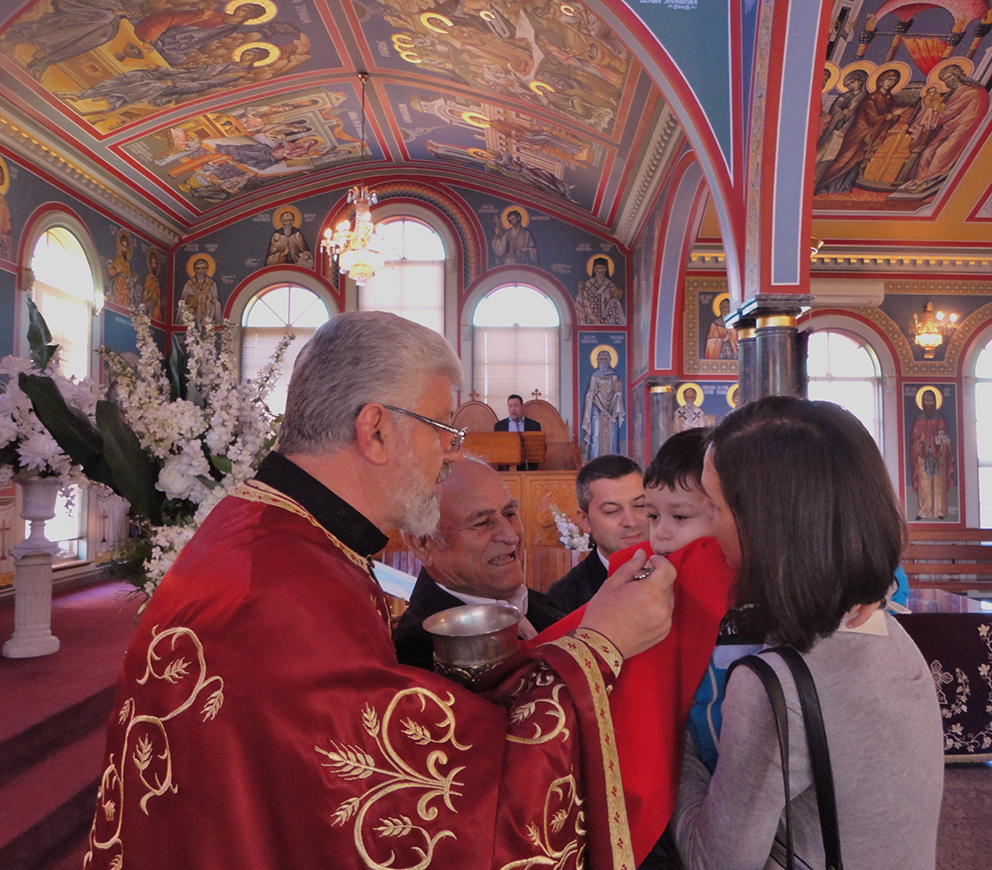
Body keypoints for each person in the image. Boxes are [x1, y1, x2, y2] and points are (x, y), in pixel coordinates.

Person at [84, 311, 677, 870]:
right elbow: (425, 804)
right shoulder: (278, 589)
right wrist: (601, 645)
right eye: (444, 429)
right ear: (375, 430)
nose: (453, 453)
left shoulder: (283, 537)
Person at [673, 396, 944, 870]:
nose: (706, 524)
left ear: (765, 526)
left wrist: (678, 741)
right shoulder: (884, 625)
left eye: (712, 505)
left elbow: (714, 861)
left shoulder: (775, 685)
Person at [394, 458, 564, 671]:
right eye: (482, 523)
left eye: (510, 514)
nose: (511, 536)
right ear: (422, 544)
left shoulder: (541, 603)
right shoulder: (419, 652)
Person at [548, 454, 649, 613]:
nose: (631, 522)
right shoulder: (564, 599)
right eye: (612, 511)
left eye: (640, 505)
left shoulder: (680, 568)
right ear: (585, 520)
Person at [908, 387, 955, 520]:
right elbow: (914, 437)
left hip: (939, 453)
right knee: (925, 484)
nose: (928, 403)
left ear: (935, 401)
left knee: (938, 483)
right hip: (923, 454)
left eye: (931, 400)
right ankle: (923, 511)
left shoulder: (940, 418)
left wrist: (941, 437)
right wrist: (920, 441)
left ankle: (939, 511)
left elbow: (944, 431)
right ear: (922, 402)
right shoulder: (918, 419)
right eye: (926, 400)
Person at [582, 350, 625, 460]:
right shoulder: (594, 375)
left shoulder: (613, 375)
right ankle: (595, 461)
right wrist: (594, 393)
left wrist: (618, 392)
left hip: (612, 409)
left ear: (610, 360)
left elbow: (616, 390)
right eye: (601, 359)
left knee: (612, 436)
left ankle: (613, 462)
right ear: (597, 361)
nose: (603, 361)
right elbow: (590, 392)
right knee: (596, 435)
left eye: (605, 359)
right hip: (597, 409)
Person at [576, 257, 626, 325]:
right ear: (594, 269)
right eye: (598, 268)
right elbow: (583, 299)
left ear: (605, 269)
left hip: (606, 317)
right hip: (591, 316)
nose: (600, 270)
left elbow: (616, 297)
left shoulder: (610, 285)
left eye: (602, 268)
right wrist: (581, 291)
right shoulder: (588, 284)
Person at [179, 256, 223, 326]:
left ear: (207, 269)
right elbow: (183, 302)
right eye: (198, 269)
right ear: (194, 270)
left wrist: (211, 299)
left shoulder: (211, 284)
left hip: (206, 315)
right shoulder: (189, 284)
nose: (201, 271)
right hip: (193, 316)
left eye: (203, 268)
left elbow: (216, 303)